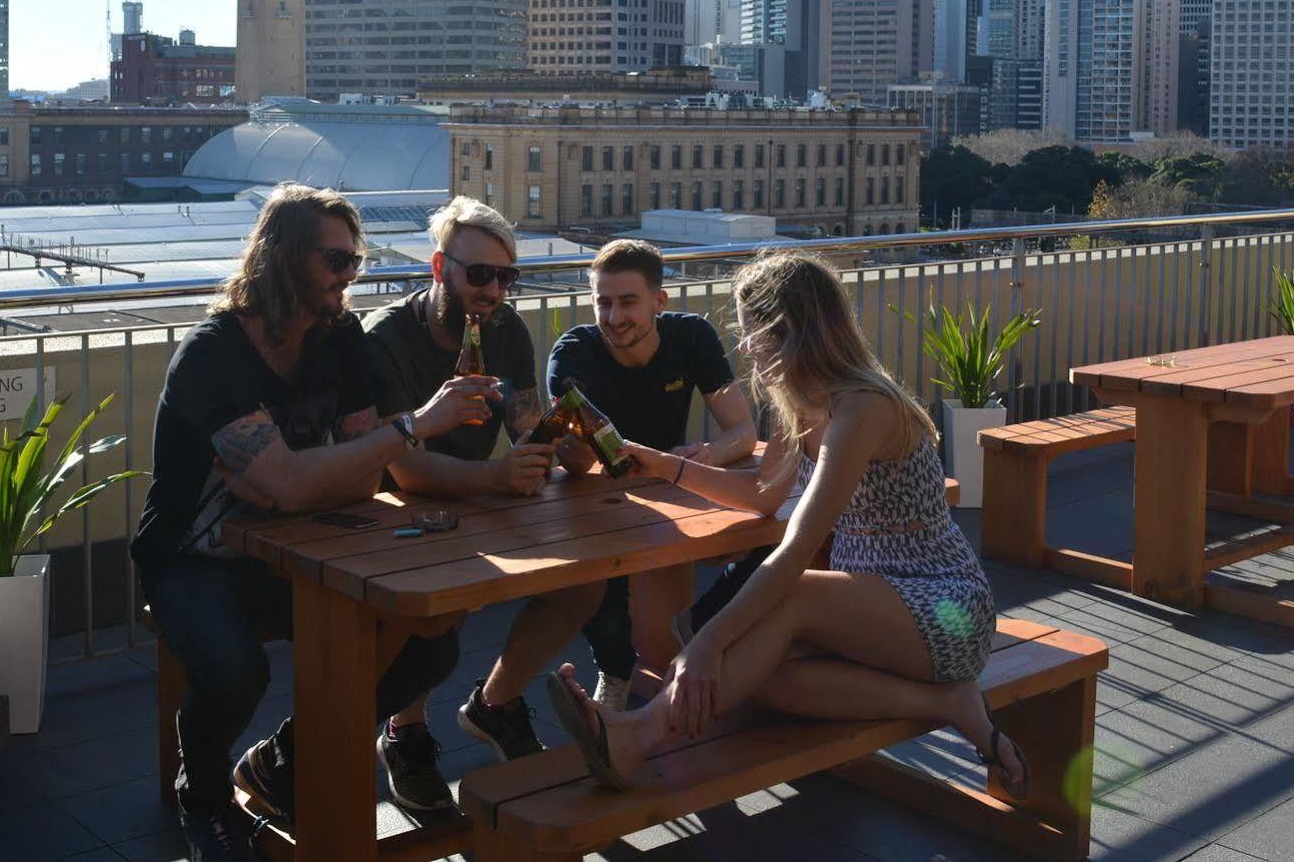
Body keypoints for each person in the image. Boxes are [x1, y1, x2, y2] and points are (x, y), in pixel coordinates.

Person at [541, 249, 1026, 796]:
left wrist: (703, 645)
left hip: (942, 607)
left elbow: (797, 549)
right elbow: (762, 497)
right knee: (756, 672)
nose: (745, 347)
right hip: (873, 610)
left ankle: (638, 736)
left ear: (795, 331)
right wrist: (662, 463)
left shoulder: (861, 407)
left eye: (756, 333)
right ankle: (946, 701)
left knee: (778, 606)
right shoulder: (802, 404)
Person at [131, 184, 497, 861]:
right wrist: (402, 430)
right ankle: (204, 799)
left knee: (430, 642)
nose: (349, 276)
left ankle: (282, 759)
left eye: (354, 262)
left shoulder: (339, 338)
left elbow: (357, 477)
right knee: (235, 671)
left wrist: (295, 477)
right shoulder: (214, 356)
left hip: (300, 544)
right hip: (194, 557)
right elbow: (312, 473)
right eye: (335, 260)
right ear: (283, 258)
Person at [363, 197, 605, 804]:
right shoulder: (386, 338)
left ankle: (495, 702)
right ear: (439, 267)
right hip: (392, 512)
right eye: (480, 274)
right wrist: (500, 477)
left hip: (484, 494)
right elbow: (403, 468)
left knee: (584, 583)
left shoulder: (506, 330)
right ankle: (405, 728)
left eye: (506, 276)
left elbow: (525, 422)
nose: (494, 290)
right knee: (438, 608)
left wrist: (565, 443)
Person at [548, 238, 756, 709]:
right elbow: (580, 458)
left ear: (659, 302)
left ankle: (706, 644)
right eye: (603, 302)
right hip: (601, 497)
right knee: (603, 563)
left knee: (771, 537)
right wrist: (576, 455)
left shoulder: (692, 337)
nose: (614, 316)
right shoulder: (573, 356)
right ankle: (617, 672)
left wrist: (698, 460)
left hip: (673, 485)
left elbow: (742, 430)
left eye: (627, 302)